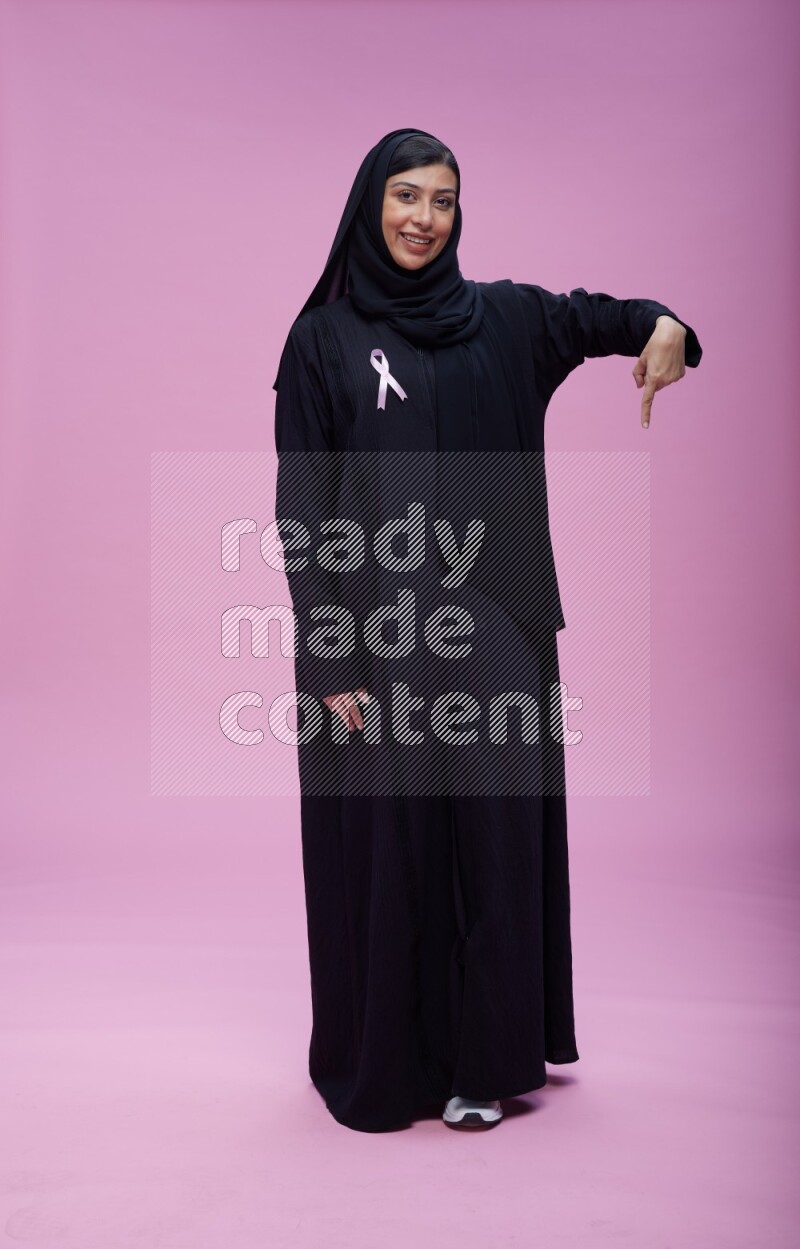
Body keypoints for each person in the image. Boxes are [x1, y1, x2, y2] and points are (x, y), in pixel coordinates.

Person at [272, 128, 702, 1133]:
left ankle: (484, 1063)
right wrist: (327, 655)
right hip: (377, 639)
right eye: (404, 196)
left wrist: (668, 328)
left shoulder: (503, 320)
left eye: (443, 199)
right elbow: (306, 511)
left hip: (499, 626)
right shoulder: (322, 342)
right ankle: (397, 1063)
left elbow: (617, 316)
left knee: (496, 845)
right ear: (368, 205)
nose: (423, 217)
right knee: (396, 849)